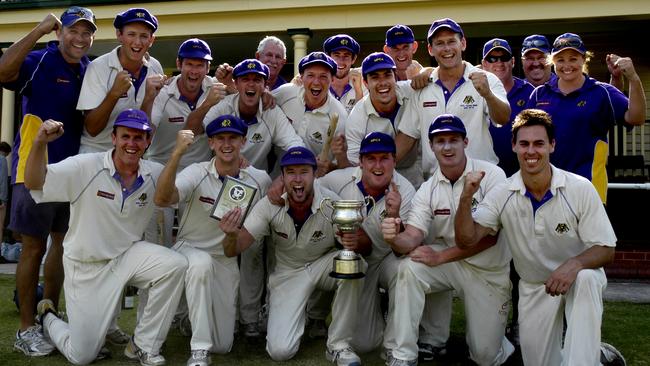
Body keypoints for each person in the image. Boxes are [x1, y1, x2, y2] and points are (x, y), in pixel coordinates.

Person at [455, 108, 626, 366]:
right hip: (535, 285)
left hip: (577, 278)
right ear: (513, 146)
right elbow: (467, 240)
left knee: (588, 278)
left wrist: (574, 265)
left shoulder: (580, 188)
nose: (531, 151)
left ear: (552, 145)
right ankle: (600, 356)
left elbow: (606, 249)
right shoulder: (503, 193)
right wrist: (466, 197)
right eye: (524, 144)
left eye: (539, 144)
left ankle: (586, 360)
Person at [26, 109, 187, 365]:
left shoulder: (155, 173)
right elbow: (34, 183)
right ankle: (48, 318)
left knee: (175, 265)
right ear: (113, 138)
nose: (131, 144)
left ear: (147, 142)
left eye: (139, 138)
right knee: (83, 355)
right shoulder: (86, 166)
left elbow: (171, 197)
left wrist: (178, 154)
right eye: (126, 136)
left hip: (127, 256)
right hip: (86, 266)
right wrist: (39, 143)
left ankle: (142, 346)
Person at [0, 7, 96, 357]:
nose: (80, 38)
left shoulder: (89, 69)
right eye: (73, 30)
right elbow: (3, 71)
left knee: (63, 246)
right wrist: (38, 29)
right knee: (33, 247)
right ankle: (26, 328)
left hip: (72, 172)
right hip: (33, 167)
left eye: (87, 33)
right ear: (60, 33)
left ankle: (49, 316)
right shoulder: (41, 58)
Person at [382, 114, 513, 366]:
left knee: (485, 357)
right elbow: (412, 237)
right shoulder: (428, 189)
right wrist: (393, 236)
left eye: (454, 140)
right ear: (430, 146)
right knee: (408, 268)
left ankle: (497, 340)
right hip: (450, 265)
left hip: (488, 270)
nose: (447, 147)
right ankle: (402, 356)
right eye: (440, 141)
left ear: (466, 141)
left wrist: (440, 256)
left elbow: (490, 240)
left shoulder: (493, 176)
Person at [219, 146, 364, 366]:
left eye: (304, 172)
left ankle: (339, 345)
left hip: (321, 266)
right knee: (280, 351)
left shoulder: (331, 202)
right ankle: (299, 314)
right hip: (288, 274)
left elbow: (360, 244)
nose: (298, 179)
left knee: (355, 265)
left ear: (315, 175)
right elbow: (234, 248)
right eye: (291, 172)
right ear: (283, 176)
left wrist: (355, 240)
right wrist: (230, 235)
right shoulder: (269, 205)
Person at [154, 115, 271, 366]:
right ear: (211, 143)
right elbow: (163, 199)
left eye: (233, 139)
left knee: (224, 345)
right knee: (200, 265)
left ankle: (190, 320)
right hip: (189, 250)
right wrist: (176, 154)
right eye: (220, 139)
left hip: (225, 257)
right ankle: (199, 351)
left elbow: (262, 216)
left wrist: (232, 235)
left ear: (244, 141)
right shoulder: (196, 171)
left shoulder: (259, 179)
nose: (226, 144)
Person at [319, 132, 416, 353]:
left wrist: (395, 215)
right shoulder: (340, 180)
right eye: (371, 158)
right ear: (361, 162)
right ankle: (319, 314)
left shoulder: (406, 190)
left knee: (407, 269)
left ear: (394, 160)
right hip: (356, 262)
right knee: (364, 343)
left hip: (385, 261)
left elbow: (404, 250)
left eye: (384, 158)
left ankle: (395, 343)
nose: (378, 165)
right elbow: (309, 186)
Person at [527, 33, 646, 202]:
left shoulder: (601, 91)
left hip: (590, 189)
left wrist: (633, 78)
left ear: (584, 60)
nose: (567, 65)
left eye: (573, 58)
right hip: (546, 189)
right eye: (560, 60)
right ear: (552, 63)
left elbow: (636, 117)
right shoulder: (539, 94)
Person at [395, 18, 510, 179]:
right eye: (440, 43)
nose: (447, 48)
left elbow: (503, 118)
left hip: (481, 179)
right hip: (437, 183)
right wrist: (378, 167)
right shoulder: (422, 87)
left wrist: (488, 95)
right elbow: (407, 136)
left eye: (451, 41)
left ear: (462, 43)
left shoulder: (487, 80)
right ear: (430, 49)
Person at [77, 7, 164, 153]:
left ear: (151, 40)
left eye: (144, 36)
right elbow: (92, 129)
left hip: (131, 155)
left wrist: (149, 98)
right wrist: (114, 94)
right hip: (96, 154)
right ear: (119, 35)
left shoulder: (155, 67)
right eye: (131, 34)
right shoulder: (98, 67)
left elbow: (147, 130)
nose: (137, 42)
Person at [194, 58, 304, 172]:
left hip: (257, 182)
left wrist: (292, 170)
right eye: (245, 79)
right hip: (220, 178)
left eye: (257, 80)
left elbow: (294, 143)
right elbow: (197, 131)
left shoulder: (271, 111)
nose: (251, 84)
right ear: (236, 84)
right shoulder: (223, 106)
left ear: (264, 85)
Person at [346, 52, 423, 187]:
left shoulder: (411, 91)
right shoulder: (356, 116)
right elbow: (356, 164)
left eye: (387, 75)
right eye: (375, 77)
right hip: (377, 178)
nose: (382, 83)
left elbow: (437, 78)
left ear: (395, 77)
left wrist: (427, 72)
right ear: (365, 83)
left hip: (416, 171)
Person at [273, 52, 350, 176]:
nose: (316, 82)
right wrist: (265, 96)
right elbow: (259, 104)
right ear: (301, 77)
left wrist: (329, 167)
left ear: (332, 79)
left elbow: (341, 165)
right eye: (310, 75)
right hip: (277, 176)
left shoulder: (340, 117)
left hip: (315, 184)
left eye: (323, 76)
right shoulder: (286, 93)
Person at [481, 38, 534, 177]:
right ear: (484, 64)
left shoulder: (529, 92)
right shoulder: (475, 91)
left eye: (504, 58)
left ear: (513, 61)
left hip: (522, 172)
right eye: (492, 59)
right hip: (486, 173)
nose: (499, 63)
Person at [323, 34, 364, 114]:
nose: (341, 61)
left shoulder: (364, 79)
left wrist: (358, 91)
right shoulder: (318, 80)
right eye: (336, 55)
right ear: (328, 57)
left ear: (354, 59)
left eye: (346, 56)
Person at [0, 142, 10, 241]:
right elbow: (2, 180)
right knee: (0, 227)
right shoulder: (2, 160)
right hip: (1, 199)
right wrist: (2, 200)